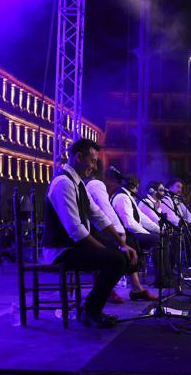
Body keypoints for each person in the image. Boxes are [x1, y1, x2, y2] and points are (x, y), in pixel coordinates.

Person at [42, 138, 138, 328]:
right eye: (93, 161)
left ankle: (91, 310)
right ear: (78, 157)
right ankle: (91, 312)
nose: (95, 167)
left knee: (120, 254)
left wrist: (121, 243)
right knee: (116, 259)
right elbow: (76, 230)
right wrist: (107, 250)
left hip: (72, 246)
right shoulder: (63, 183)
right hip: (61, 251)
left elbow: (98, 216)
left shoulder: (78, 184)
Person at [85, 161, 156, 303]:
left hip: (95, 230)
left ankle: (135, 288)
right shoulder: (96, 185)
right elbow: (105, 211)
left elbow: (99, 213)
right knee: (125, 248)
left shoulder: (90, 185)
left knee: (130, 242)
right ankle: (108, 289)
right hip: (92, 232)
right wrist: (120, 234)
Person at [111, 174, 171, 293]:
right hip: (125, 235)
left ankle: (165, 275)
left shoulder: (128, 198)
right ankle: (161, 278)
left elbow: (143, 219)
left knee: (161, 237)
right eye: (137, 187)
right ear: (135, 186)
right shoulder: (122, 197)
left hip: (131, 233)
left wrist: (160, 230)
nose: (137, 190)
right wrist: (148, 234)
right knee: (158, 240)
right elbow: (129, 223)